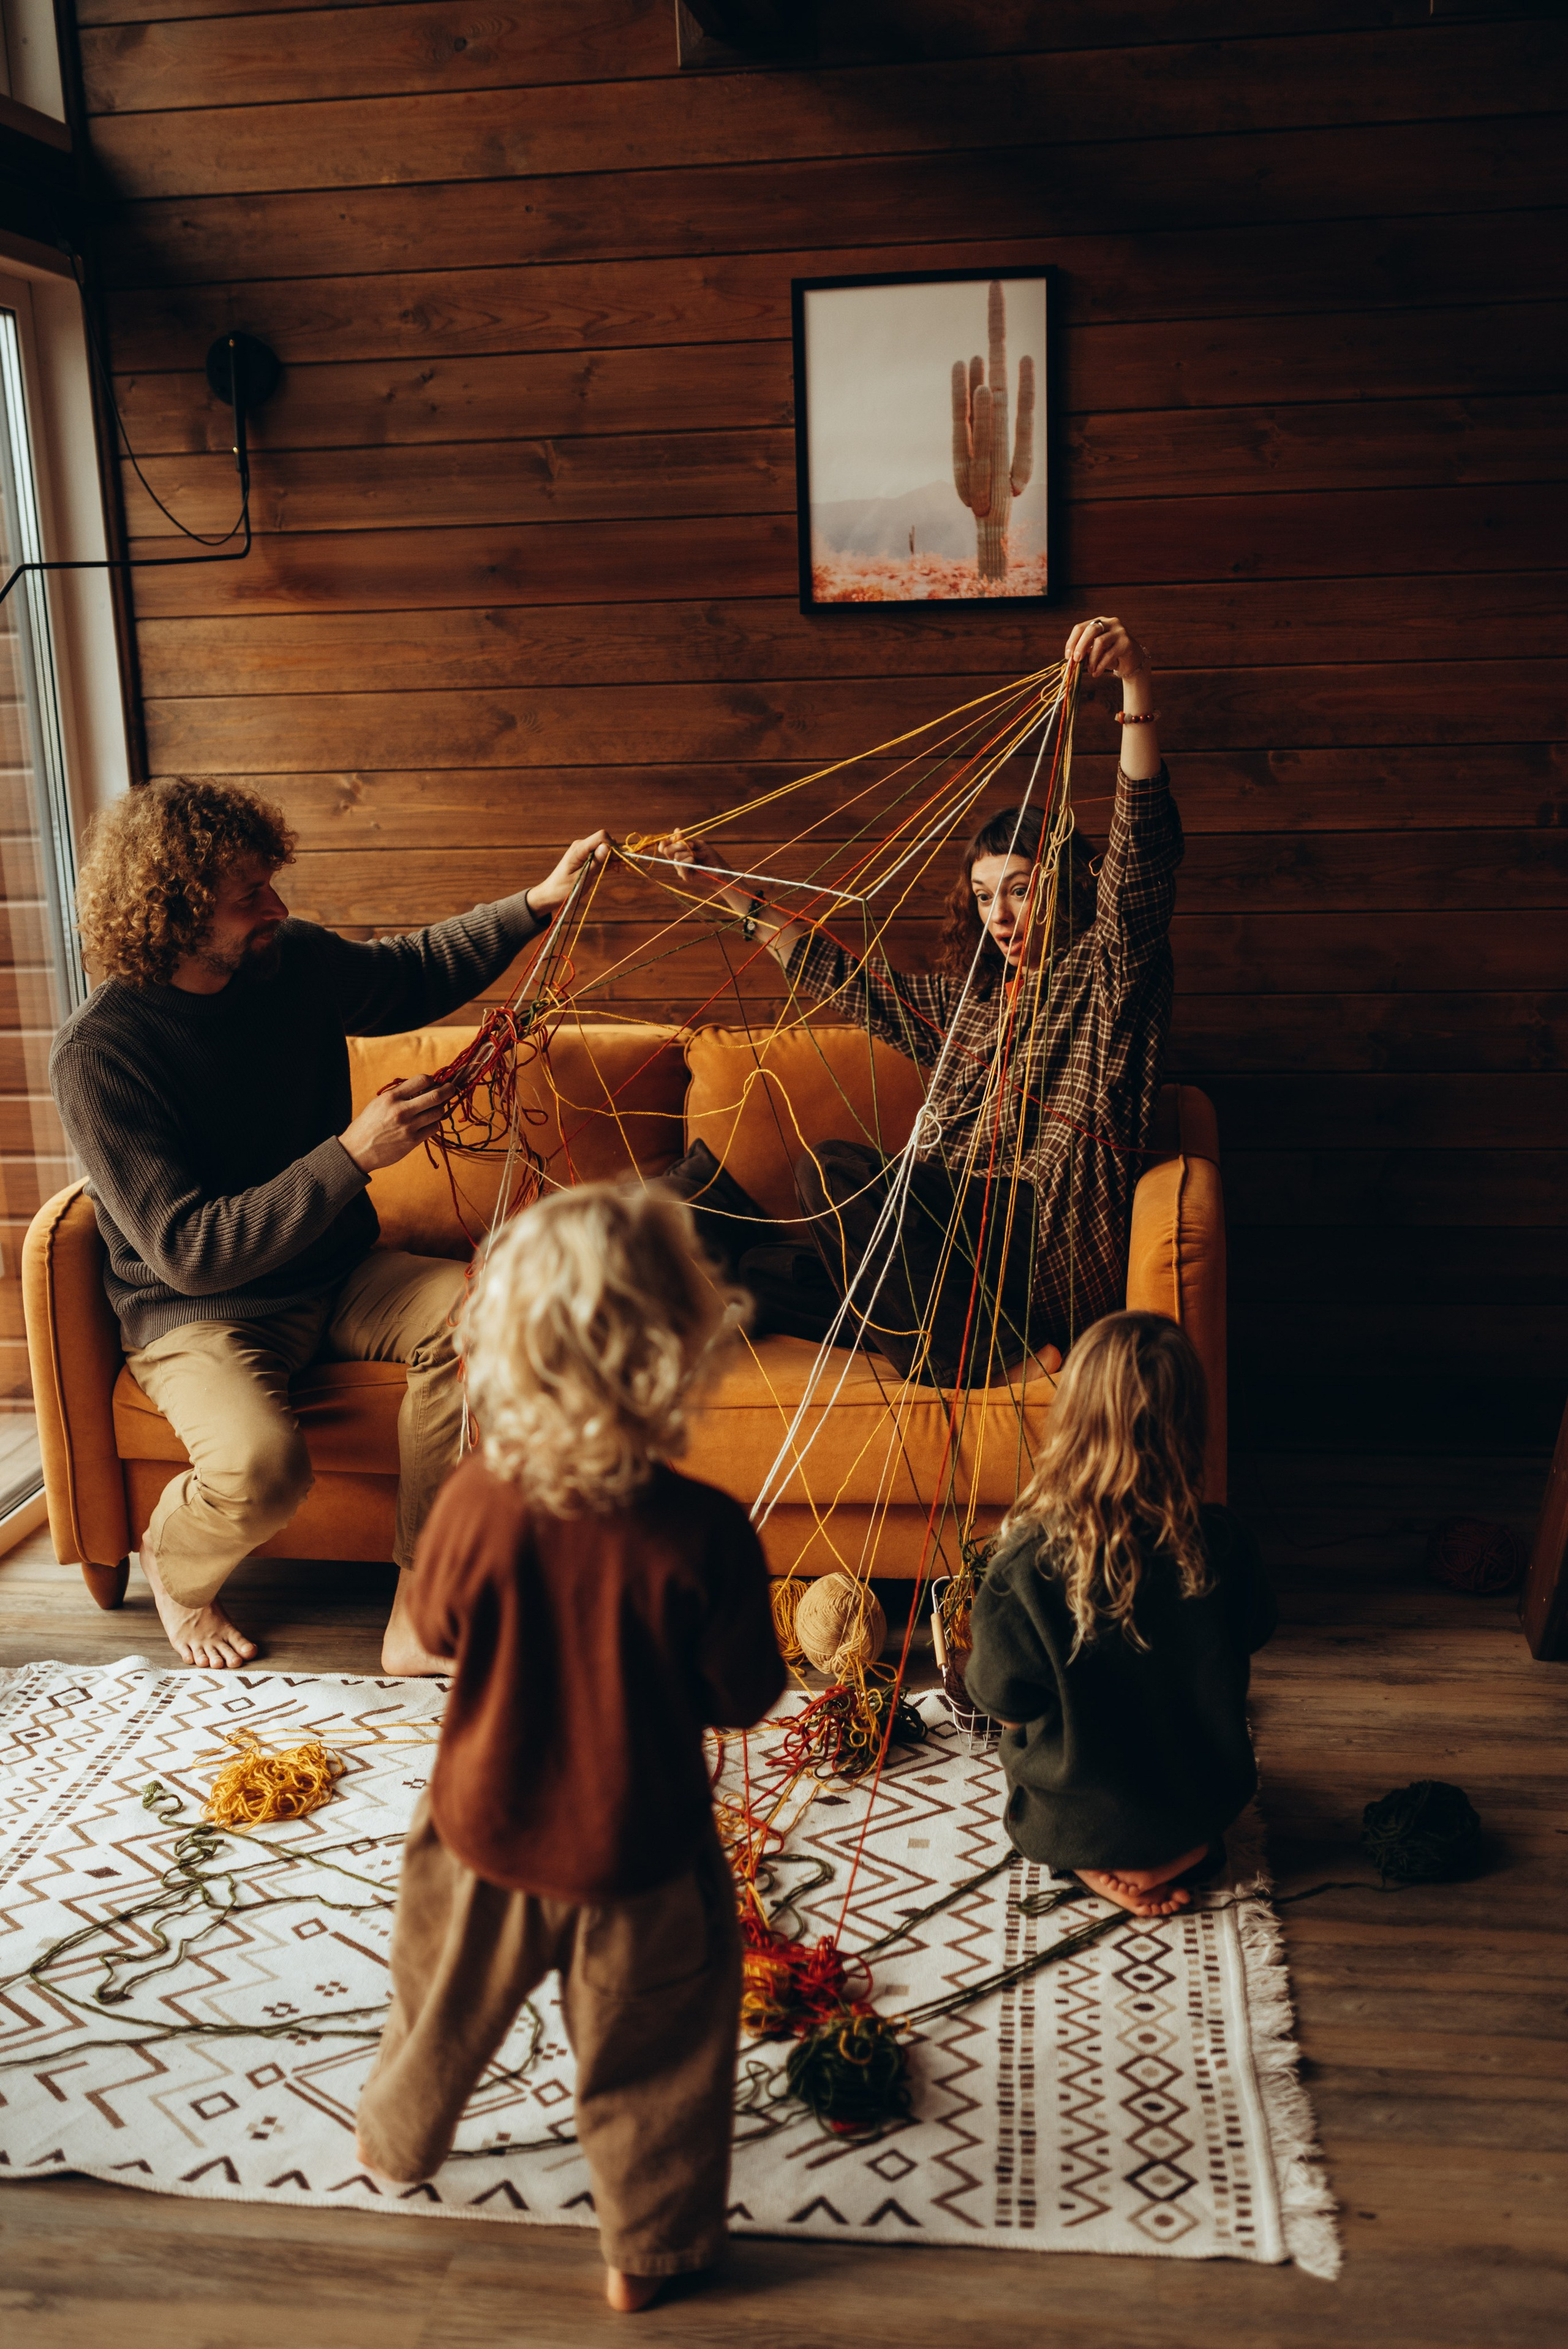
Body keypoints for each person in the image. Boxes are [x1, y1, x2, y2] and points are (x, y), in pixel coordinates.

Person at [48, 774, 609, 1674]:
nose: (276, 905)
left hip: (337, 1272)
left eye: (270, 882)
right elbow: (190, 1252)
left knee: (500, 1314)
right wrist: (352, 1155)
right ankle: (176, 1562)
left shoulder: (288, 959)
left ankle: (422, 1610)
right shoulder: (99, 1053)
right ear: (177, 912)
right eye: (248, 898)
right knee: (266, 1470)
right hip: (201, 1313)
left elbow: (413, 971)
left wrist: (539, 902)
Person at [353, 1182, 784, 2314]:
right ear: (681, 1343)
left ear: (504, 1342)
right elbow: (743, 1696)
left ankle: (397, 2142)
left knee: (435, 2005)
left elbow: (439, 1632)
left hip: (478, 1829)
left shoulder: (471, 1504)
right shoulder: (708, 1533)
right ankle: (646, 2250)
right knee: (657, 2061)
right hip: (640, 1850)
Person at [659, 616, 1180, 1386]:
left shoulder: (1110, 973)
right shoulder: (967, 1004)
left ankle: (997, 1362)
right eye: (982, 897)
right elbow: (849, 980)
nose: (998, 916)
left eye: (1018, 891)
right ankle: (939, 1335)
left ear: (1068, 883)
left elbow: (1140, 856)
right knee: (755, 1271)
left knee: (831, 1172)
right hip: (949, 1251)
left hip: (1036, 1239)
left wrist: (1134, 686)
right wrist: (727, 892)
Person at [960, 1311, 1275, 1917]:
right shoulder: (1227, 1542)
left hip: (1071, 1818)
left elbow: (1001, 1698)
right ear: (1190, 1426)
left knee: (1030, 1741)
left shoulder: (1025, 1565)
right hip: (1204, 1802)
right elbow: (1255, 1629)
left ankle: (1098, 1856)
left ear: (1071, 1422)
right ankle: (1176, 1851)